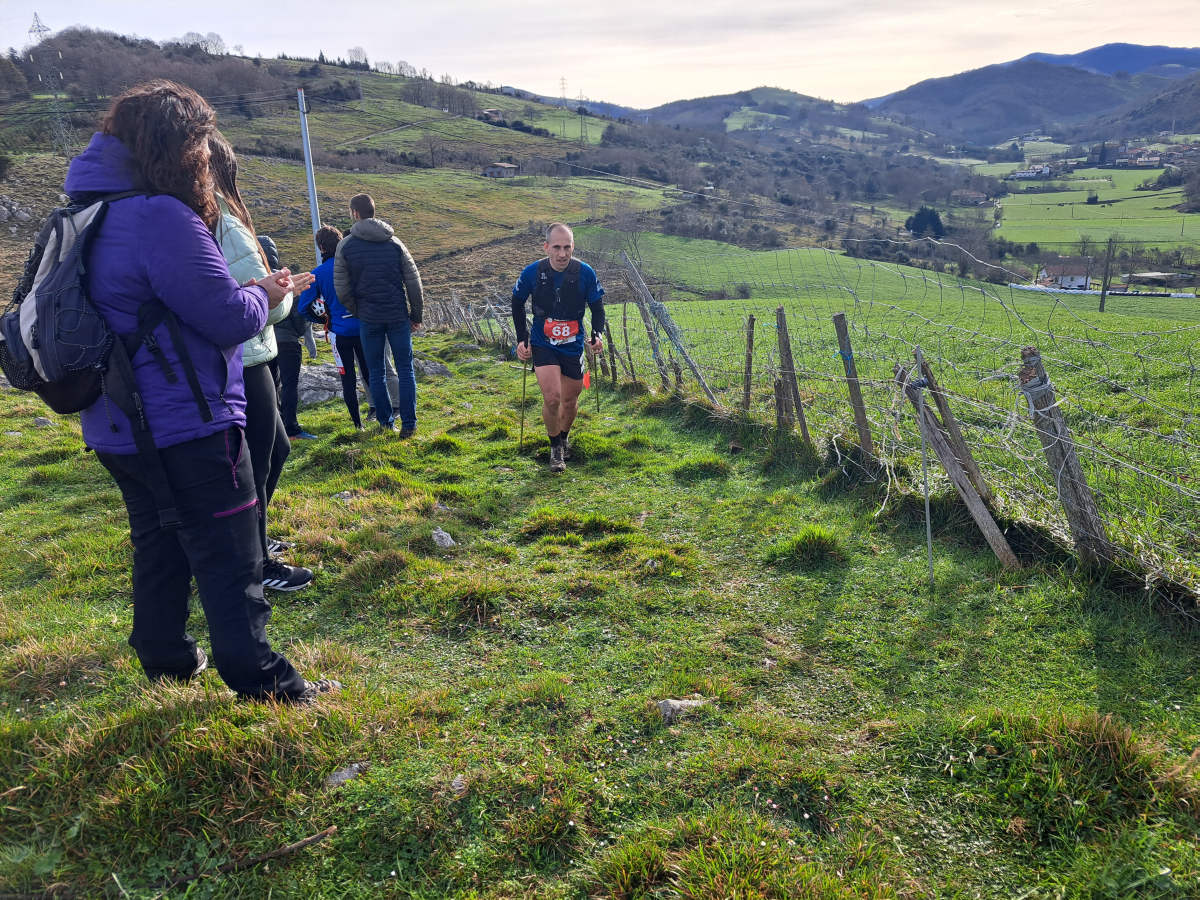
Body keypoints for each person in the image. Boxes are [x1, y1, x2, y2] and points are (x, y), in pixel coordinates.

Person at [67, 80, 337, 702]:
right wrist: (265, 294)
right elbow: (227, 318)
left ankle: (165, 659)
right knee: (230, 556)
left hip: (115, 424)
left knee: (158, 542)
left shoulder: (86, 213)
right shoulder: (160, 217)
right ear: (180, 147)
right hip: (188, 422)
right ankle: (263, 681)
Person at [208, 133, 315, 592]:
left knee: (273, 451)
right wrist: (280, 293)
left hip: (240, 356)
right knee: (258, 460)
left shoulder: (191, 215)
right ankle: (251, 561)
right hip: (247, 357)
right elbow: (256, 305)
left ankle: (250, 543)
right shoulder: (224, 218)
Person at [511, 223, 605, 473]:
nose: (562, 254)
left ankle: (563, 437)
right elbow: (517, 302)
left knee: (571, 399)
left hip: (573, 343)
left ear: (573, 246)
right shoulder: (532, 272)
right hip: (543, 342)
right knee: (552, 398)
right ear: (546, 247)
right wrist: (522, 338)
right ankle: (555, 449)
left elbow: (597, 308)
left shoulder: (585, 272)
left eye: (567, 247)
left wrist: (597, 334)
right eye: (557, 247)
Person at [333, 193, 424, 436]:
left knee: (375, 372)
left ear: (354, 213)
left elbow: (342, 290)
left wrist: (359, 310)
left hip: (369, 317)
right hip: (396, 315)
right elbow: (414, 283)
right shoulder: (395, 243)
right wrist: (415, 315)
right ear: (374, 211)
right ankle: (409, 424)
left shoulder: (346, 245)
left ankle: (385, 423)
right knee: (405, 369)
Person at [298, 224, 398, 430]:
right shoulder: (355, 266)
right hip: (365, 329)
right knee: (373, 374)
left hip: (339, 334)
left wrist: (325, 319)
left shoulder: (317, 273)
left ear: (321, 248)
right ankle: (386, 421)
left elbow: (304, 307)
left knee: (348, 380)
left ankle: (357, 425)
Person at [261, 234, 318, 442]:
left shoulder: (257, 279)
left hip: (263, 344)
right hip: (287, 342)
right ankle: (291, 429)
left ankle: (273, 431)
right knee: (289, 385)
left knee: (269, 388)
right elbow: (299, 314)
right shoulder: (286, 279)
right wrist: (299, 332)